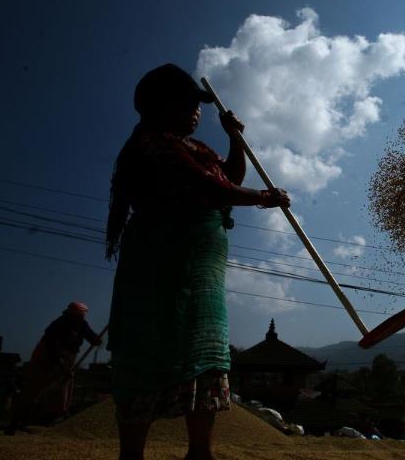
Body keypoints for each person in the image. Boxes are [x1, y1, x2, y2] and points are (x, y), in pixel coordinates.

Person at [105, 63, 290, 460]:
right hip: (159, 267)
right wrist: (262, 198)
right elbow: (208, 186)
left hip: (203, 276)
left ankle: (200, 453)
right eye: (187, 102)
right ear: (158, 106)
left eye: (198, 105)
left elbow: (226, 176)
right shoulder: (152, 145)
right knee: (149, 347)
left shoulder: (196, 148)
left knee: (203, 354)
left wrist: (234, 139)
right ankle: (132, 453)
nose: (196, 111)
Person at [6, 301, 103, 434]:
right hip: (47, 359)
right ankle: (16, 422)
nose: (79, 318)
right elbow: (53, 349)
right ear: (70, 313)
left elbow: (90, 336)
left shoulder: (81, 324)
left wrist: (96, 340)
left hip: (68, 359)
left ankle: (52, 421)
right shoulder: (58, 325)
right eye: (77, 315)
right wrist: (62, 366)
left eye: (81, 316)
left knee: (61, 390)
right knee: (34, 389)